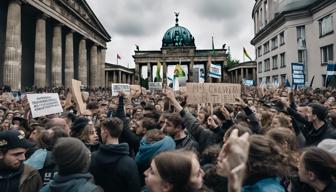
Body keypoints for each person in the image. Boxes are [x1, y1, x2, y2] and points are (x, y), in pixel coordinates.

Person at [90, 117, 141, 192]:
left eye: (101, 131)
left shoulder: (93, 157)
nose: (100, 134)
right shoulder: (129, 163)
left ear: (106, 132)